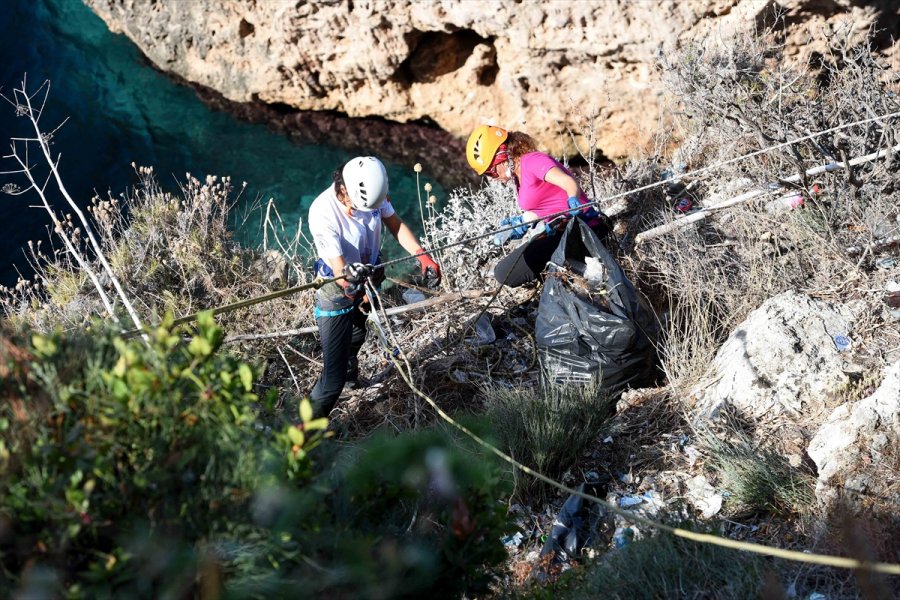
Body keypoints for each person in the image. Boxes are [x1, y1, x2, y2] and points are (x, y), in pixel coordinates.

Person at [307, 156, 441, 417]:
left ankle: (351, 380)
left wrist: (422, 255)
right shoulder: (322, 213)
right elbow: (339, 273)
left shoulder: (375, 195)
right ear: (343, 191)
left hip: (368, 276)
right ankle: (301, 441)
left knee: (357, 335)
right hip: (338, 290)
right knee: (330, 383)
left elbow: (395, 224)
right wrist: (352, 283)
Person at [466, 125, 611, 287]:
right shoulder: (517, 175)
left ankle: (582, 273)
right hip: (562, 231)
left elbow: (568, 182)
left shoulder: (533, 161)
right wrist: (521, 223)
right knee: (504, 272)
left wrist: (573, 200)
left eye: (490, 172)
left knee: (506, 272)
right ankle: (567, 275)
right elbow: (545, 206)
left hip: (584, 229)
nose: (492, 178)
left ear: (501, 154)